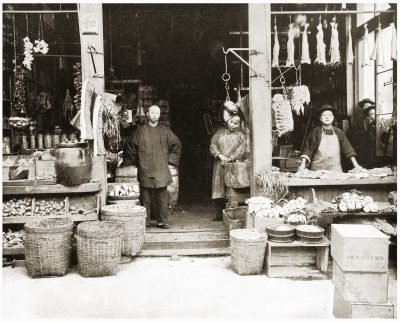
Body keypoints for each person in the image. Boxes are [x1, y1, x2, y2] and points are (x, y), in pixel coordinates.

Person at [123, 105, 181, 229]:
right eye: (152, 112)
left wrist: (170, 161)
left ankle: (162, 221)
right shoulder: (140, 131)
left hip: (161, 167)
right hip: (145, 167)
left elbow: (176, 145)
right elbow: (130, 146)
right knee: (146, 198)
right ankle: (145, 221)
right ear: (148, 114)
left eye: (157, 113)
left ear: (160, 115)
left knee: (162, 198)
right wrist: (134, 161)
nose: (155, 115)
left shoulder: (166, 131)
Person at [298, 104, 363, 172]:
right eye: (324, 115)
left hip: (335, 170)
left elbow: (348, 150)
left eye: (329, 115)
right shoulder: (315, 132)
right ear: (320, 118)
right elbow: (307, 149)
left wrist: (356, 166)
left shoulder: (339, 132)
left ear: (333, 118)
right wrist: (302, 165)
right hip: (317, 171)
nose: (327, 117)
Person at [210, 114, 246, 221]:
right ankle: (218, 214)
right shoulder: (219, 133)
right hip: (219, 165)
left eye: (236, 123)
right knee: (218, 189)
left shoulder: (240, 135)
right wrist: (220, 155)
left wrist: (230, 158)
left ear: (239, 124)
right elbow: (212, 145)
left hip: (233, 165)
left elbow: (240, 150)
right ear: (227, 121)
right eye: (231, 122)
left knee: (232, 189)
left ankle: (231, 214)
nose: (233, 125)